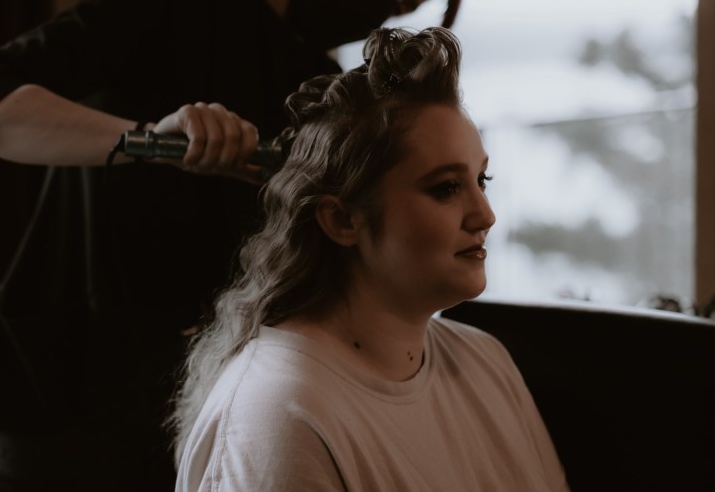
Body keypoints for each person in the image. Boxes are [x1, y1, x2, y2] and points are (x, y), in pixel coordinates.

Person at [0, 0, 465, 491]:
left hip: (197, 404)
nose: (383, 3)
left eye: (400, 5)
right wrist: (147, 140)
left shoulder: (320, 89)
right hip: (62, 392)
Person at [171, 27, 570, 491]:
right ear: (342, 220)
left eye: (482, 180)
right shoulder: (277, 417)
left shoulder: (486, 361)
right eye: (445, 188)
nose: (486, 215)